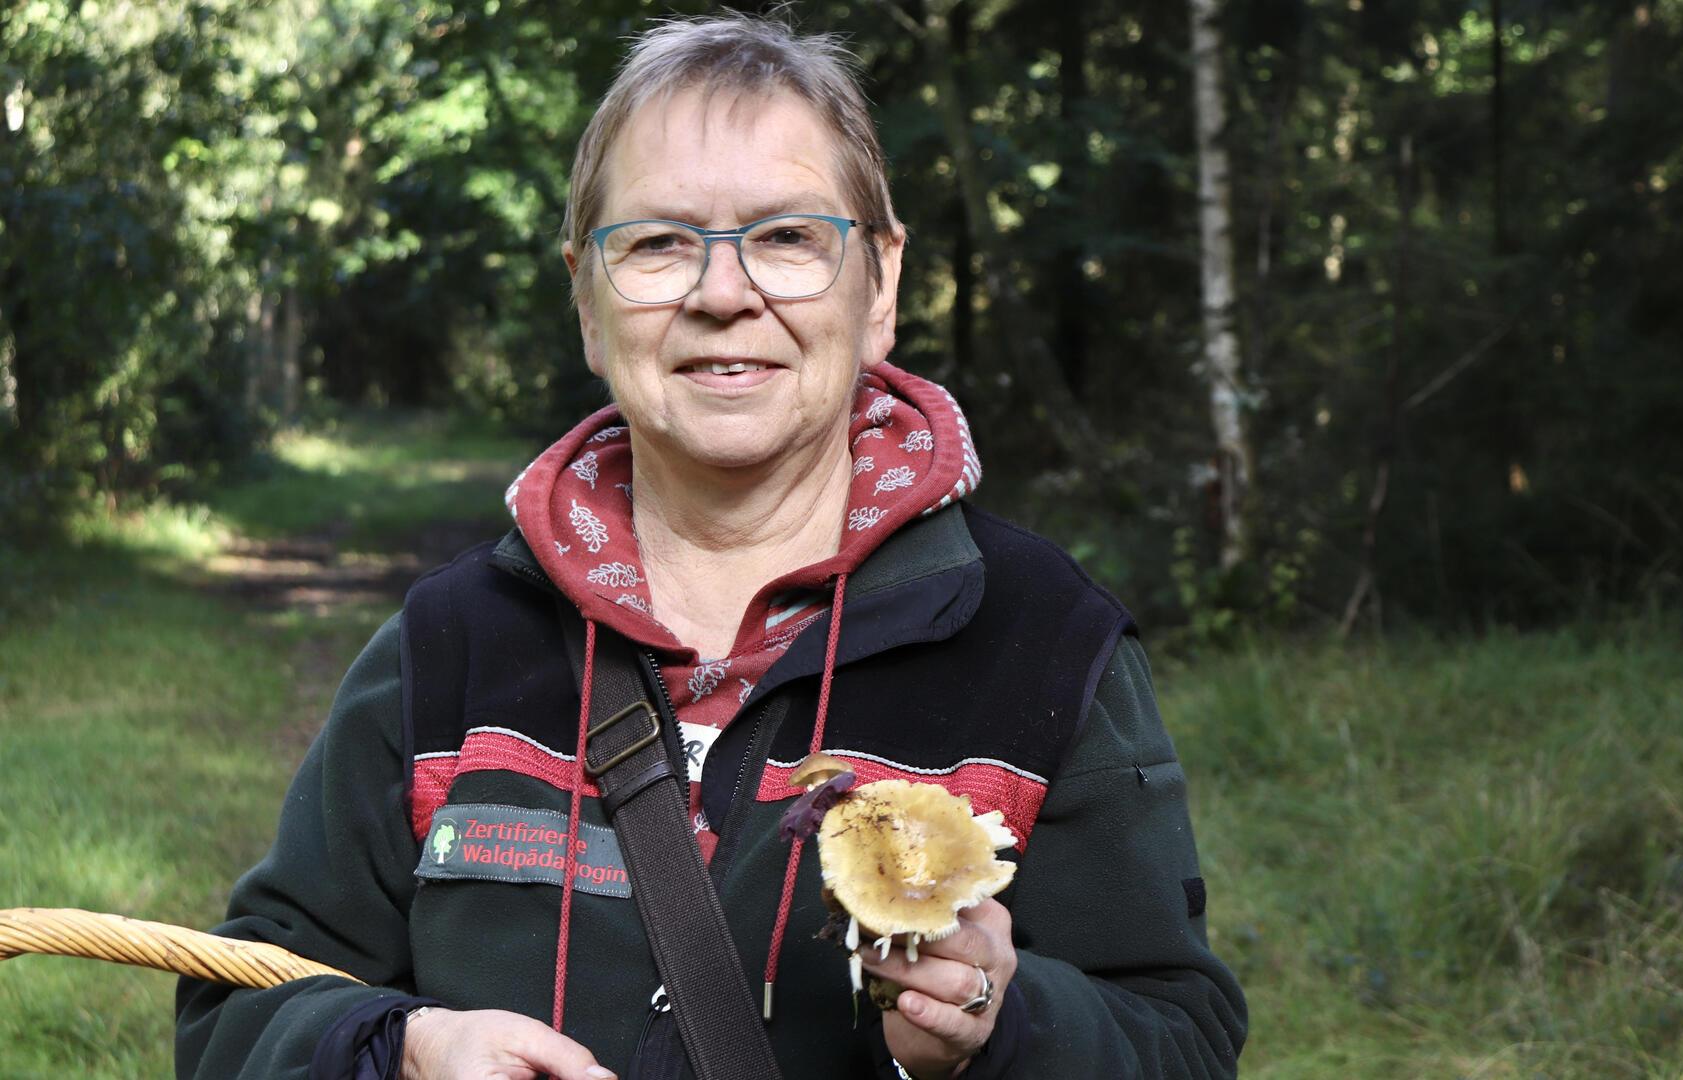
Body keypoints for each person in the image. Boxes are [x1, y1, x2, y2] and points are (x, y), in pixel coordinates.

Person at [176, 13, 1246, 1079]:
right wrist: (399, 1054)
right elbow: (233, 1014)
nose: (723, 295)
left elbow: (1181, 1040)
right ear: (589, 305)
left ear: (880, 285)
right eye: (657, 244)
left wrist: (1004, 1029)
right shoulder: (450, 647)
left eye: (786, 238)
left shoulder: (1044, 647)